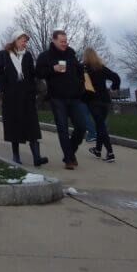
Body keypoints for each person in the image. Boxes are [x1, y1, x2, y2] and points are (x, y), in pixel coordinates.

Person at [35, 29, 92, 170]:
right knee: (62, 128)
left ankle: (70, 153)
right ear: (54, 40)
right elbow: (38, 73)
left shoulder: (71, 54)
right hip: (57, 97)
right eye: (62, 41)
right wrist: (52, 69)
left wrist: (80, 85)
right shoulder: (45, 56)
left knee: (81, 126)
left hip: (74, 97)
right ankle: (69, 160)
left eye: (65, 41)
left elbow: (79, 72)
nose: (64, 44)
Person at [0, 31, 48, 166]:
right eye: (23, 40)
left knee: (32, 125)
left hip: (27, 95)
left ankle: (36, 157)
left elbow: (32, 74)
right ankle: (16, 155)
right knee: (14, 125)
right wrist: (4, 89)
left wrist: (33, 90)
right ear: (15, 40)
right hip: (11, 96)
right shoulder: (3, 55)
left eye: (26, 40)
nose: (25, 43)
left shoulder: (27, 55)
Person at [83, 47, 121, 162]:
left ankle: (110, 153)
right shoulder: (101, 67)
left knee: (100, 126)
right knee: (100, 125)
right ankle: (98, 150)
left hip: (93, 100)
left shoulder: (84, 68)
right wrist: (114, 87)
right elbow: (115, 77)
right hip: (105, 101)